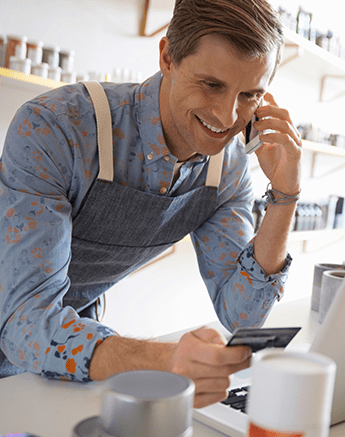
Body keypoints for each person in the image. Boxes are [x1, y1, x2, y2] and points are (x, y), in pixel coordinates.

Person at [0, 0, 302, 408]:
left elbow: (242, 316)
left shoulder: (227, 170)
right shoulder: (58, 126)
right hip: (23, 323)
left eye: (250, 94)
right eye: (211, 85)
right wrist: (164, 360)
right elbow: (23, 321)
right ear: (167, 58)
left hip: (63, 352)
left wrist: (285, 195)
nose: (228, 116)